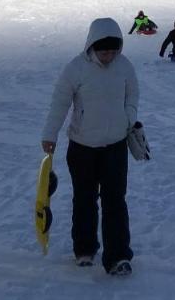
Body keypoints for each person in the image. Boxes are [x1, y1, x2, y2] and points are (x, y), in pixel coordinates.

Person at [41, 18, 139, 275]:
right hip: (82, 147)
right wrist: (50, 135)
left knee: (115, 202)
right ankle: (84, 249)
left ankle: (118, 256)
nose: (108, 55)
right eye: (103, 50)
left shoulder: (125, 67)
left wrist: (128, 118)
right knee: (84, 200)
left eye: (113, 50)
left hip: (115, 147)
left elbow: (133, 96)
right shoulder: (76, 69)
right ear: (92, 46)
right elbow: (60, 103)